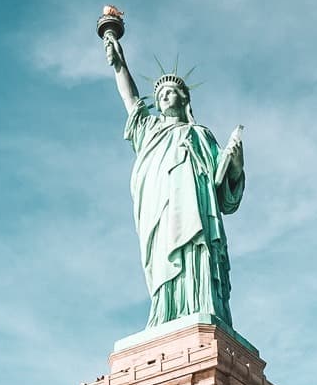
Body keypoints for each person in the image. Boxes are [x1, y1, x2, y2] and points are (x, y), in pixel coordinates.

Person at [104, 32, 245, 328]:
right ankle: (167, 311)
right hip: (160, 211)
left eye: (170, 92)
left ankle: (200, 305)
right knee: (164, 257)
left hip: (197, 212)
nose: (163, 97)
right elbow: (130, 100)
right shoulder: (150, 131)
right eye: (159, 95)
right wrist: (120, 65)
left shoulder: (201, 135)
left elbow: (226, 194)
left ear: (184, 99)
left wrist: (235, 165)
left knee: (198, 252)